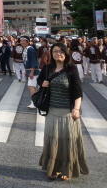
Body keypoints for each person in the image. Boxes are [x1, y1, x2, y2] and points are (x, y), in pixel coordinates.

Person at [38, 43, 88, 181]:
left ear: (66, 53)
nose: (58, 53)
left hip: (67, 112)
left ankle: (66, 169)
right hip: (52, 111)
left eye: (61, 51)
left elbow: (78, 91)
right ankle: (53, 169)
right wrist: (43, 84)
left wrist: (76, 109)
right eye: (55, 51)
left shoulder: (71, 69)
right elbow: (39, 80)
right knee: (52, 141)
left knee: (67, 142)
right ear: (51, 53)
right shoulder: (48, 68)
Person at [22, 36, 40, 109]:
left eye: (23, 41)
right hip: (29, 70)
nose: (21, 42)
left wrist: (32, 72)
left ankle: (34, 103)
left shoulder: (30, 49)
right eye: (21, 40)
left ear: (27, 42)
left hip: (32, 71)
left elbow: (33, 60)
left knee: (31, 87)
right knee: (33, 87)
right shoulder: (26, 49)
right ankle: (36, 102)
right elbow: (26, 60)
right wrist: (26, 71)